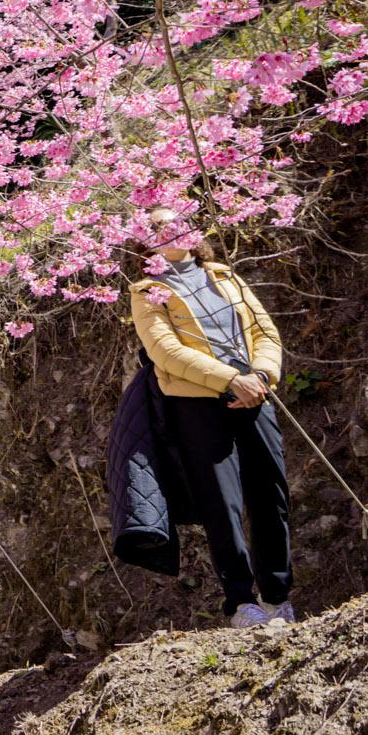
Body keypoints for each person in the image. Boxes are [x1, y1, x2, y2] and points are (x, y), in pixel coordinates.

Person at [128, 209, 291, 628]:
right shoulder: (147, 290)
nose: (169, 233)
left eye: (176, 222)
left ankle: (278, 596)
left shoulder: (223, 275)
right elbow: (166, 352)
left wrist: (261, 375)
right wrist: (230, 381)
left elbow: (263, 330)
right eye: (157, 229)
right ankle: (241, 602)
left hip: (255, 393)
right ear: (143, 241)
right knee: (223, 503)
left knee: (270, 494)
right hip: (199, 405)